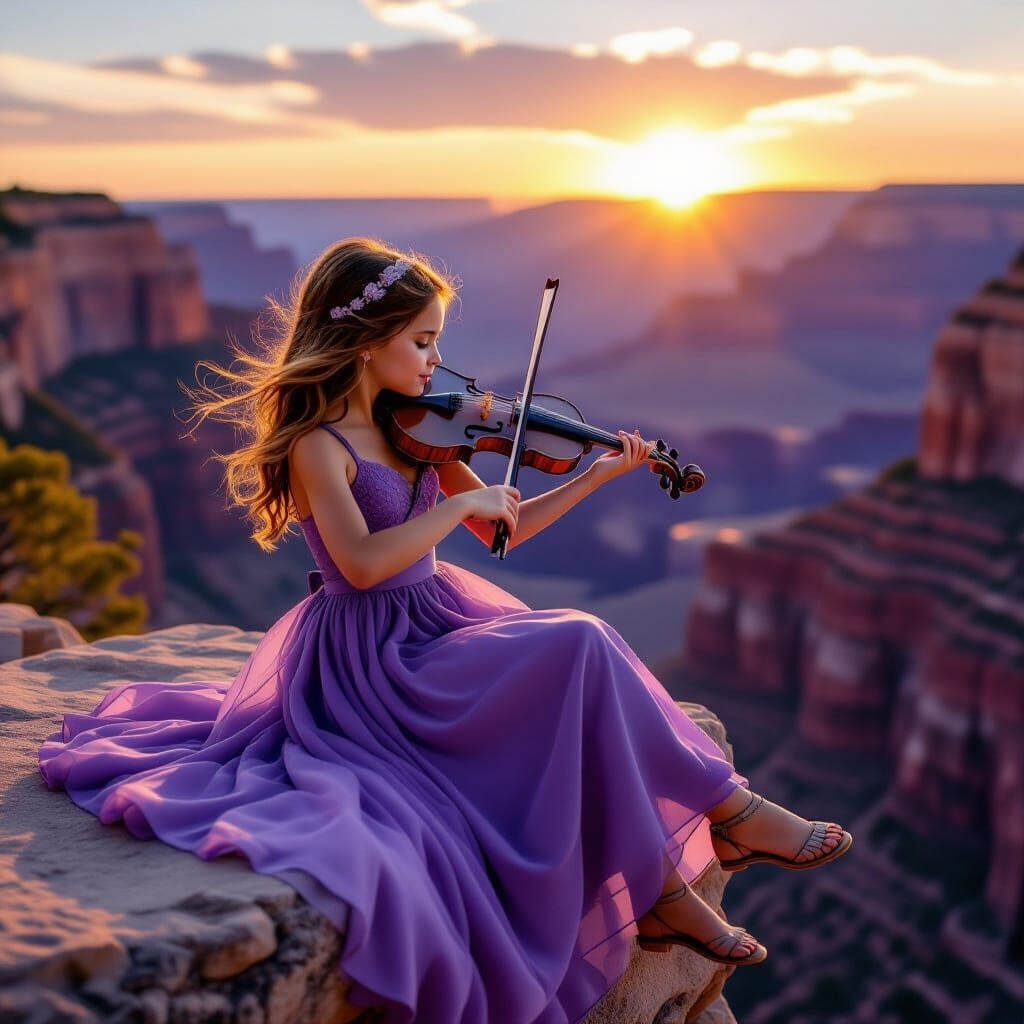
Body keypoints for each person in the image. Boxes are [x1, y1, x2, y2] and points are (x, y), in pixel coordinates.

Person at [37, 238, 852, 1024]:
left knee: (577, 664)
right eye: (422, 341)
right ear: (362, 342)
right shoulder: (319, 448)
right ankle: (725, 820)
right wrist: (461, 502)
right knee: (581, 641)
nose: (436, 362)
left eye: (438, 342)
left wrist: (600, 473)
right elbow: (358, 564)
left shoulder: (418, 429)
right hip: (374, 656)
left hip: (438, 621)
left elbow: (509, 531)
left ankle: (673, 883)